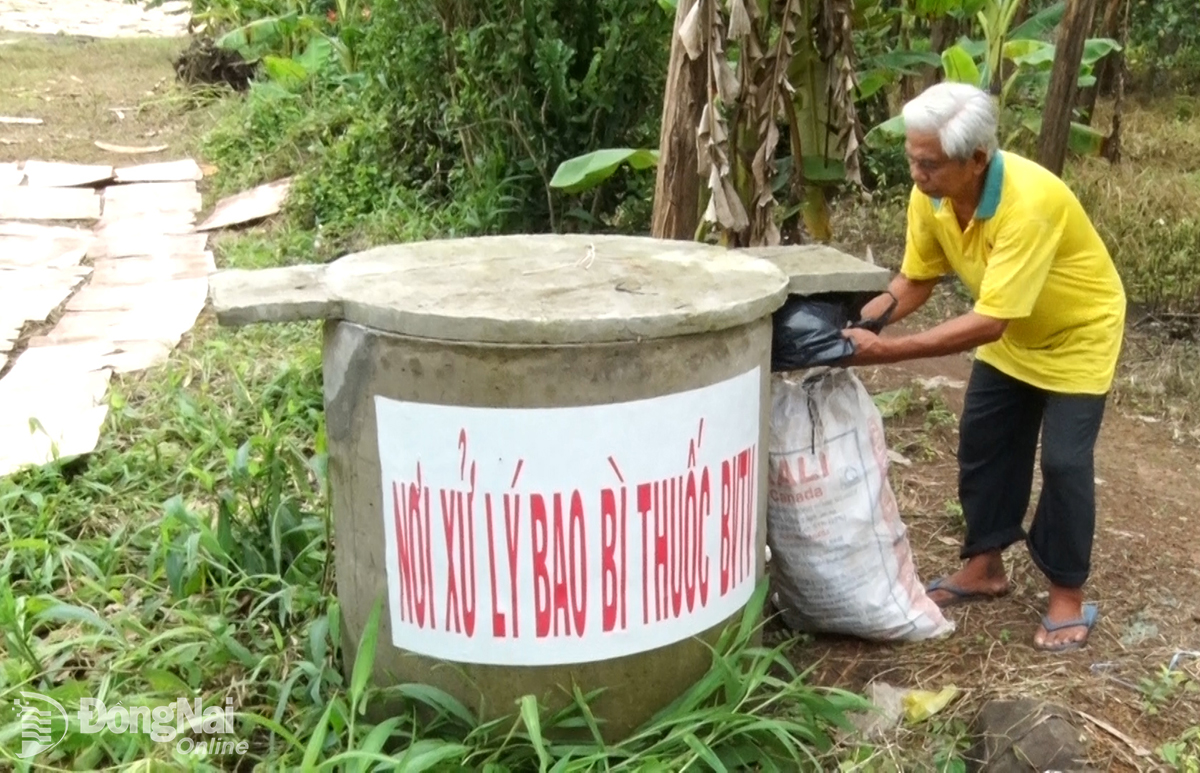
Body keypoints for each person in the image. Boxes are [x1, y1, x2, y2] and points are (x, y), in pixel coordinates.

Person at [842, 81, 1127, 653]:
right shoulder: (934, 194)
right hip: (1013, 332)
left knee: (1067, 464)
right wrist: (858, 326)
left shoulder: (1029, 201)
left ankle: (1066, 596)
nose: (916, 174)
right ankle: (984, 567)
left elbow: (989, 320)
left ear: (977, 159)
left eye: (928, 163)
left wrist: (888, 353)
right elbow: (915, 279)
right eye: (912, 159)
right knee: (985, 439)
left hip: (1077, 335)